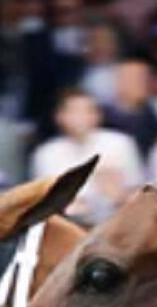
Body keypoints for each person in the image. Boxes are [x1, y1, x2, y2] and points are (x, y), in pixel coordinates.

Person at [29, 89, 143, 224]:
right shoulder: (46, 153)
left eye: (88, 111)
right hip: (66, 226)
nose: (82, 117)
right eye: (74, 111)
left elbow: (139, 192)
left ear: (98, 116)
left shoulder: (120, 144)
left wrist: (118, 195)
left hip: (116, 223)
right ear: (60, 117)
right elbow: (42, 202)